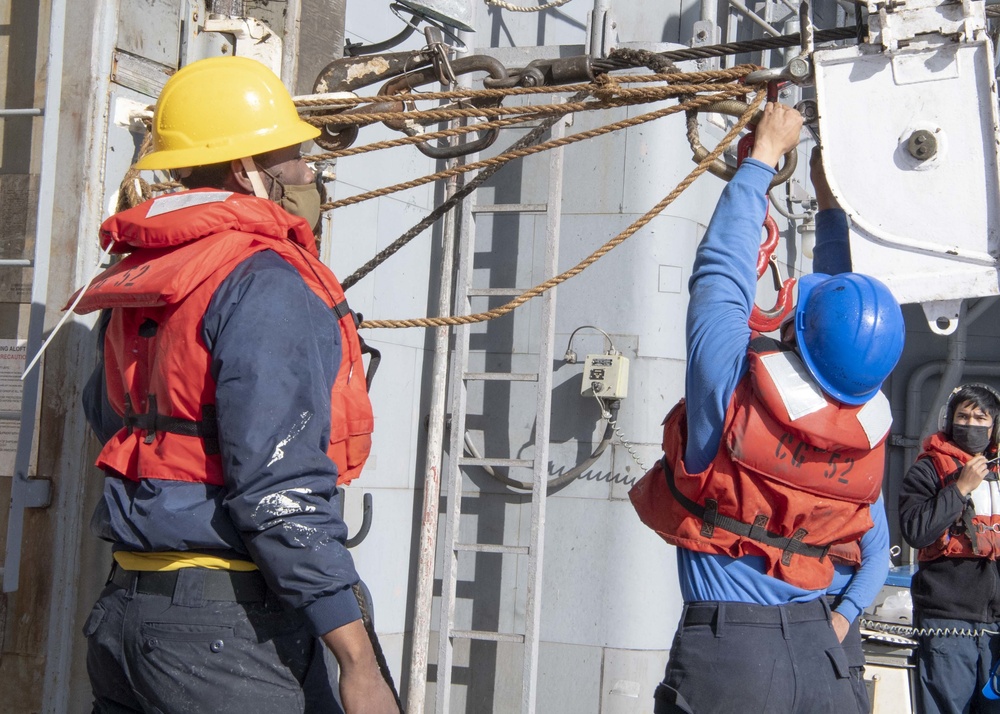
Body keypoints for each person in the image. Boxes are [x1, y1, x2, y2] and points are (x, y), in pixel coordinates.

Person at [74, 56, 397, 714]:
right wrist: (357, 660)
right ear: (249, 168)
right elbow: (278, 491)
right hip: (225, 634)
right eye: (296, 154)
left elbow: (102, 411)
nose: (311, 169)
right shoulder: (266, 282)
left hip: (125, 619)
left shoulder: (143, 273)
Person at [629, 102, 906, 713]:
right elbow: (850, 331)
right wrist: (831, 207)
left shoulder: (728, 398)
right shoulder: (867, 427)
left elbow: (721, 276)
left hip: (735, 659)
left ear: (795, 332)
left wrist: (762, 159)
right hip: (824, 657)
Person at [899, 383, 1000, 714]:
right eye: (963, 416)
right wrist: (959, 489)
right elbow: (916, 530)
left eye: (980, 417)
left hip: (995, 625)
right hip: (948, 621)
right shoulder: (927, 469)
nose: (971, 424)